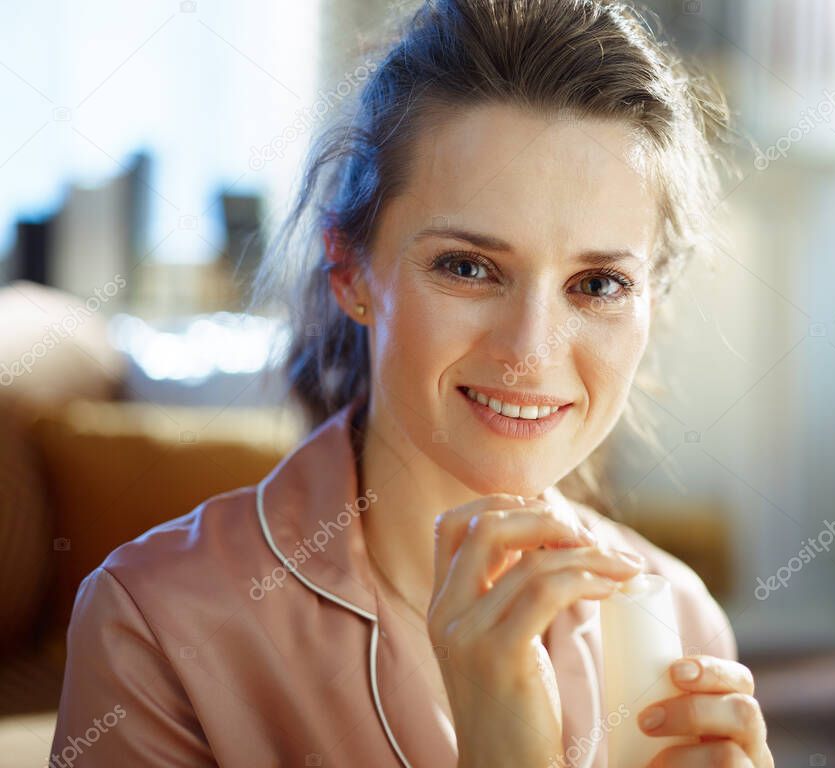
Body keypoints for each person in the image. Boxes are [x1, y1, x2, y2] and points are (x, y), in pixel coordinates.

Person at [50, 0, 773, 766]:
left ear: (651, 301)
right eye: (468, 268)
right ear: (349, 269)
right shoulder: (159, 625)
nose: (530, 350)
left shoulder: (678, 617)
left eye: (598, 284)